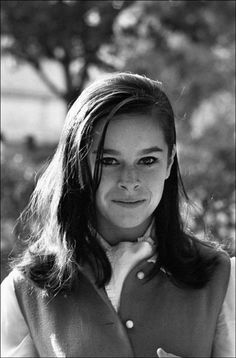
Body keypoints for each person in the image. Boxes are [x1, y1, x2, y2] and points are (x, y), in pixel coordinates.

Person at [1, 73, 235, 358]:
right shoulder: (25, 291)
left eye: (148, 160)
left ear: (170, 162)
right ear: (78, 165)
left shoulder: (222, 279)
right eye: (108, 161)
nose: (130, 180)